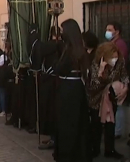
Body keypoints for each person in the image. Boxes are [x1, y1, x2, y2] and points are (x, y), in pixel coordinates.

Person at [53, 19, 92, 162]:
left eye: (63, 31)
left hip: (68, 90)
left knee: (67, 124)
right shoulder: (79, 50)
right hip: (76, 89)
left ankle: (67, 154)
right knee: (78, 124)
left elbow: (59, 69)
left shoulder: (69, 51)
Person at [88, 42, 128, 159]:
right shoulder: (96, 64)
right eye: (112, 57)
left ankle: (110, 150)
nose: (114, 60)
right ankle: (94, 149)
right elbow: (93, 87)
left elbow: (124, 75)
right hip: (97, 99)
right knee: (96, 125)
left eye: (116, 57)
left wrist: (125, 87)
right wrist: (101, 72)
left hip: (111, 98)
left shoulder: (120, 62)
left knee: (110, 124)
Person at [105, 21, 128, 139]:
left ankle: (117, 131)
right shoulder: (112, 43)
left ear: (117, 32)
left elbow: (118, 62)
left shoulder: (120, 44)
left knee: (119, 106)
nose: (107, 32)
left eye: (110, 30)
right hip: (111, 78)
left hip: (118, 79)